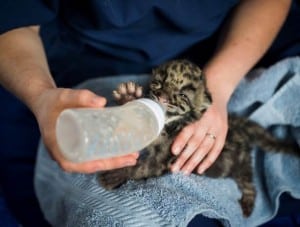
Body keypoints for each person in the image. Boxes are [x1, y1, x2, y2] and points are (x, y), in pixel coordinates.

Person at [0, 0, 299, 226]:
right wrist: (41, 95)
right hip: (84, 67)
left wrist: (214, 87)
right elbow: (15, 22)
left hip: (223, 52)